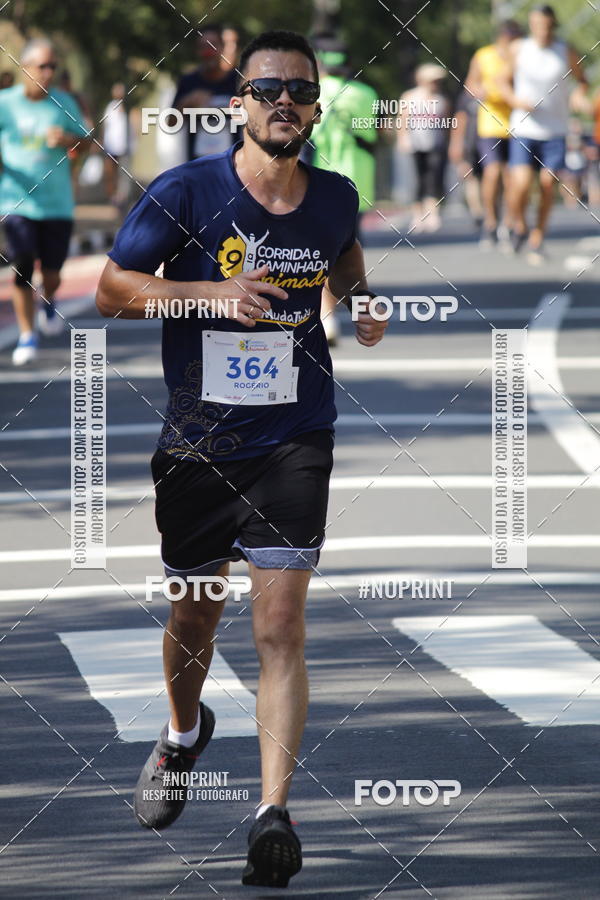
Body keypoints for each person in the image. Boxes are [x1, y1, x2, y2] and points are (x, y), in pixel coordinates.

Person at [96, 29, 387, 888]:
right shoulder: (185, 193)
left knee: (279, 624)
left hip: (296, 434)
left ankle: (272, 815)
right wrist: (210, 292)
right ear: (239, 105)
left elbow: (347, 271)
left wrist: (363, 308)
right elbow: (115, 291)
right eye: (268, 90)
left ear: (315, 110)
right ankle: (185, 733)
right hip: (197, 443)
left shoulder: (336, 196)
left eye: (300, 92)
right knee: (195, 617)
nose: (284, 103)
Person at [0, 39, 89, 365]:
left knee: (52, 273)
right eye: (42, 66)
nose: (49, 73)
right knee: (22, 263)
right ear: (25, 68)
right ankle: (27, 334)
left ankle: (49, 298)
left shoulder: (64, 103)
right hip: (15, 202)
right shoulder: (4, 103)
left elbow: (88, 143)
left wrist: (69, 141)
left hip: (57, 204)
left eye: (53, 67)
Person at [502, 5, 588, 264]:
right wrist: (515, 100)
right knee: (521, 184)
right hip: (524, 128)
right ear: (531, 24)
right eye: (537, 24)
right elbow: (500, 80)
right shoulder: (519, 49)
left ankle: (537, 237)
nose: (542, 29)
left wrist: (578, 93)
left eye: (547, 25)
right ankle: (518, 224)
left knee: (549, 184)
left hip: (555, 130)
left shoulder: (565, 50)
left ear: (553, 24)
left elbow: (582, 81)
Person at [310, 34, 378, 346]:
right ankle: (356, 313)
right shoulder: (366, 93)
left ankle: (327, 317)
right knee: (350, 250)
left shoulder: (314, 92)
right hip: (358, 179)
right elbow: (371, 138)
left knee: (322, 249)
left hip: (322, 177)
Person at [465, 20, 523, 248]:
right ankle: (490, 222)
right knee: (492, 173)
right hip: (490, 124)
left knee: (513, 177)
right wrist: (482, 91)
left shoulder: (522, 57)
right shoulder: (484, 55)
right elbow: (470, 84)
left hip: (518, 123)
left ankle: (509, 223)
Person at [172, 23, 238, 161]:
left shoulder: (237, 81)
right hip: (197, 165)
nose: (208, 52)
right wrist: (187, 102)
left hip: (232, 165)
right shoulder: (188, 82)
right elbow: (171, 123)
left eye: (213, 45)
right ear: (197, 51)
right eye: (203, 47)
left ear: (222, 48)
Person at [398, 63, 450, 233]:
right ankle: (417, 215)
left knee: (434, 180)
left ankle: (433, 214)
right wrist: (403, 139)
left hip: (436, 145)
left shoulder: (442, 100)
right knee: (417, 180)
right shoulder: (410, 97)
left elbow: (447, 124)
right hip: (415, 145)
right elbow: (403, 120)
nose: (435, 83)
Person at [448, 88, 484, 230]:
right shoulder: (467, 96)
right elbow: (460, 119)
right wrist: (456, 143)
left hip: (492, 141)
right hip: (471, 144)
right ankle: (478, 214)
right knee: (471, 178)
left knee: (492, 176)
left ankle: (493, 212)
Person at [102, 82, 130, 204]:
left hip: (122, 145)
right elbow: (105, 125)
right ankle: (111, 194)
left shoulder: (126, 108)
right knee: (110, 171)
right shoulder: (110, 107)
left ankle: (120, 196)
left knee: (120, 172)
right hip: (111, 144)